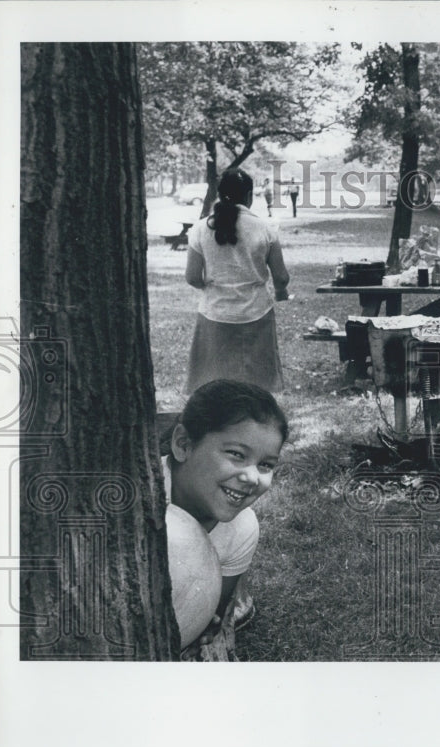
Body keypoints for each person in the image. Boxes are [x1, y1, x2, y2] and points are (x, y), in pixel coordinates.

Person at [163, 379, 288, 656]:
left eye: (265, 465)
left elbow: (209, 613)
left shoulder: (242, 529)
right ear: (183, 444)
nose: (251, 477)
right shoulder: (141, 499)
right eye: (236, 454)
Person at [185, 167, 290, 394]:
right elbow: (281, 277)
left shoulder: (201, 229)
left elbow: (192, 277)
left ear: (220, 194)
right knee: (257, 384)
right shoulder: (266, 228)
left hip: (214, 313)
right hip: (256, 312)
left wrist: (214, 287)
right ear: (250, 196)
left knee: (212, 384)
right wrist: (281, 291)